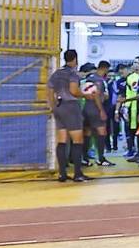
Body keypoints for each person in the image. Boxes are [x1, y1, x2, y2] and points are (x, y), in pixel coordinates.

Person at [47, 50, 87, 182]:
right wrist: (86, 95)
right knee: (77, 140)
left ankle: (62, 173)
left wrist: (53, 107)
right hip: (70, 106)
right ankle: (77, 173)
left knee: (62, 140)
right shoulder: (72, 74)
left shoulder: (56, 74)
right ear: (75, 59)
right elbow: (74, 91)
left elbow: (50, 91)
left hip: (59, 107)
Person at [82, 60, 115, 167]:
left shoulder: (89, 78)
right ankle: (100, 158)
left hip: (86, 108)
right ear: (105, 68)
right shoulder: (99, 80)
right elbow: (96, 95)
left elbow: (86, 93)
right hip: (95, 109)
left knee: (87, 132)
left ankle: (84, 158)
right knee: (102, 132)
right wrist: (101, 110)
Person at [121, 70, 139, 160]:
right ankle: (131, 150)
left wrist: (125, 101)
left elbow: (136, 91)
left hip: (134, 107)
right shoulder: (131, 77)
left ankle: (135, 151)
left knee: (134, 131)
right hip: (130, 107)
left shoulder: (134, 77)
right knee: (129, 130)